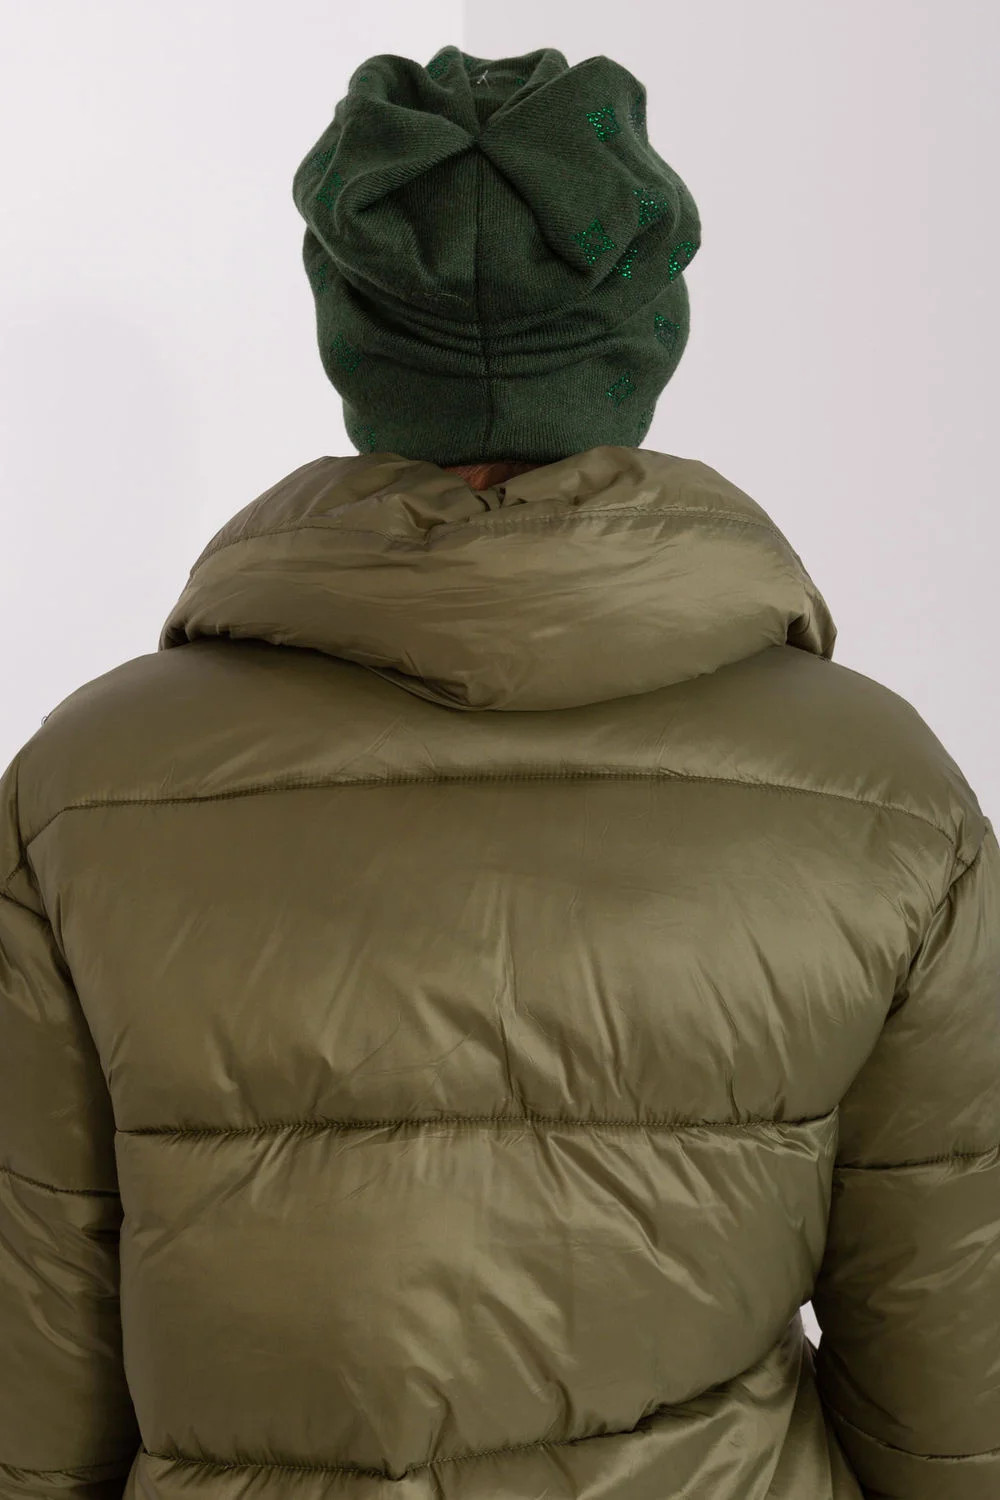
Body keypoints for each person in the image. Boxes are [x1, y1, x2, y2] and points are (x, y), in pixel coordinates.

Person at [0, 42, 997, 1500]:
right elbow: (954, 1383)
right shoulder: (886, 795)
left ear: (351, 340)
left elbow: (35, 1368)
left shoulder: (85, 785)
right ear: (644, 340)